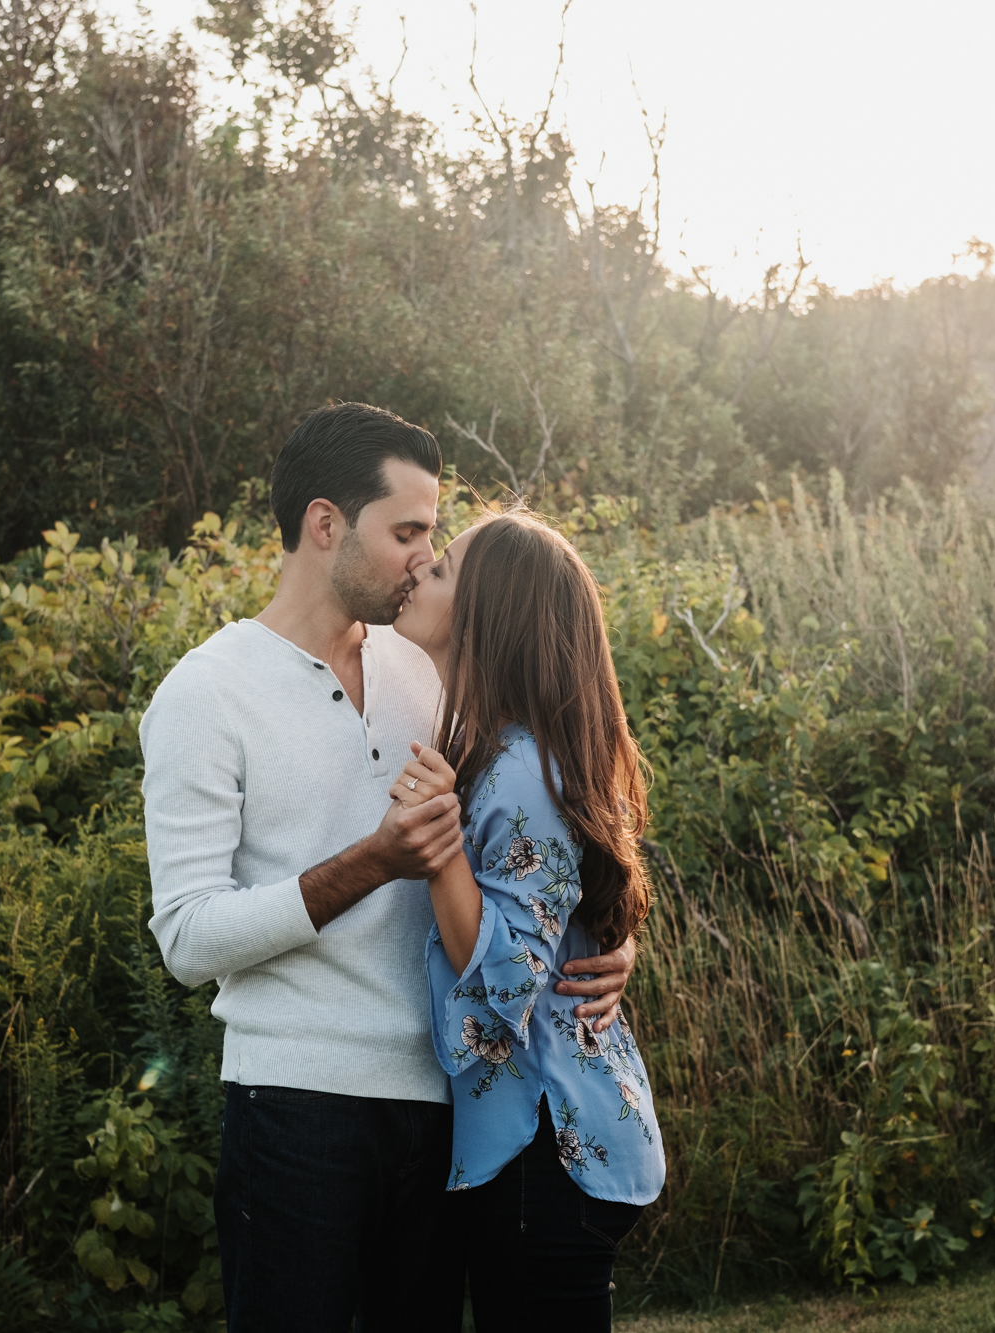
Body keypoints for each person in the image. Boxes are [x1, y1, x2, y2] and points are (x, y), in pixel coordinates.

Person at [140, 403, 637, 1333]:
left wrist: (611, 940)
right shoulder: (206, 693)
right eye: (407, 532)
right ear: (326, 524)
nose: (423, 557)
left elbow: (554, 808)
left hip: (442, 1107)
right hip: (296, 1107)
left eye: (433, 537)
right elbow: (188, 937)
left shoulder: (429, 665)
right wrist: (372, 862)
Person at [390, 509, 667, 1332]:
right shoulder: (505, 750)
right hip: (544, 1142)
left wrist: (440, 849)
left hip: (540, 1144)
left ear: (488, 616)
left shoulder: (518, 771)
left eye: (439, 571)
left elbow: (505, 984)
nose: (418, 575)